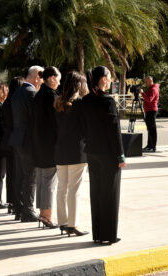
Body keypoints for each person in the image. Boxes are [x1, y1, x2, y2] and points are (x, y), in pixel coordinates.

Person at [78, 66, 126, 244]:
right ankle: (109, 234)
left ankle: (97, 233)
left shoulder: (86, 101)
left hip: (92, 152)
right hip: (108, 154)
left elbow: (83, 127)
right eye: (109, 76)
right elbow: (115, 132)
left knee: (96, 192)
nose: (111, 79)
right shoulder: (108, 102)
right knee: (110, 193)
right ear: (103, 79)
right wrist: (120, 155)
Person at [54, 71, 90, 237]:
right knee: (74, 189)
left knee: (62, 188)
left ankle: (62, 222)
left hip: (61, 149)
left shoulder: (58, 103)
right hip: (77, 151)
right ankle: (73, 224)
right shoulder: (81, 104)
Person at [11, 65, 44, 222]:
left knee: (20, 176)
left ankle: (19, 208)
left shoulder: (18, 92)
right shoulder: (32, 94)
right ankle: (28, 211)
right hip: (28, 141)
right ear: (37, 77)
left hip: (17, 139)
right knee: (30, 177)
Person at [31, 67, 61, 228]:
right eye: (58, 78)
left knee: (42, 180)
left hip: (38, 143)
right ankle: (46, 214)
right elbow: (56, 123)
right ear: (51, 78)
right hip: (50, 145)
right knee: (49, 181)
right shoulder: (51, 96)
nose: (59, 82)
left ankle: (43, 213)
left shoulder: (38, 95)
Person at [2, 76, 24, 215]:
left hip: (7, 139)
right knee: (19, 173)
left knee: (10, 173)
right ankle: (18, 202)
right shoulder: (18, 102)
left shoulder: (6, 102)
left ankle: (11, 201)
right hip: (17, 139)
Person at [141, 76, 159, 152]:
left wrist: (142, 93)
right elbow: (148, 98)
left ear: (151, 81)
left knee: (152, 129)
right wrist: (143, 98)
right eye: (145, 81)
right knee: (149, 129)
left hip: (151, 110)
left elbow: (149, 99)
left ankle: (153, 146)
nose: (145, 83)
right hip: (148, 110)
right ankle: (149, 145)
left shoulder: (153, 89)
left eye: (146, 81)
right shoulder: (151, 89)